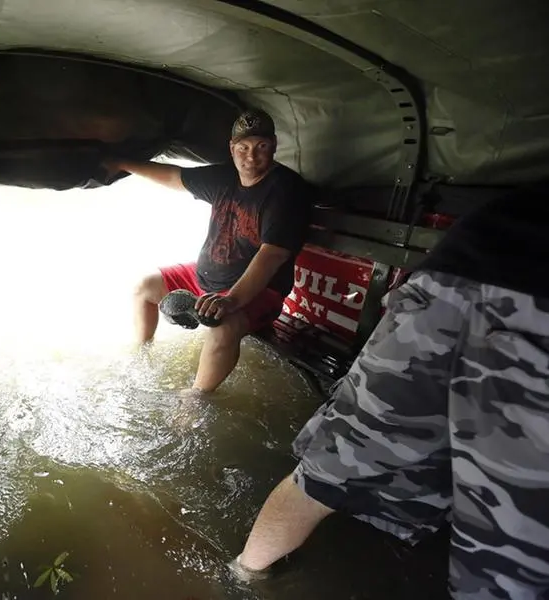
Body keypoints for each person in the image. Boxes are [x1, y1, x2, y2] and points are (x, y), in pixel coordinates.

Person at [231, 184, 549, 599]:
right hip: (513, 299)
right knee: (509, 569)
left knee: (323, 473)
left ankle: (240, 577)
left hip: (461, 266)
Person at [104, 109, 315, 393]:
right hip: (206, 278)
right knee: (145, 287)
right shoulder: (225, 177)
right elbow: (173, 177)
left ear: (274, 144)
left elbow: (271, 256)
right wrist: (123, 163)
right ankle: (141, 355)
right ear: (232, 148)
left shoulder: (287, 191)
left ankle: (196, 397)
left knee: (223, 326)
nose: (250, 157)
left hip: (258, 290)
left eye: (260, 147)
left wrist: (231, 301)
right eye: (243, 148)